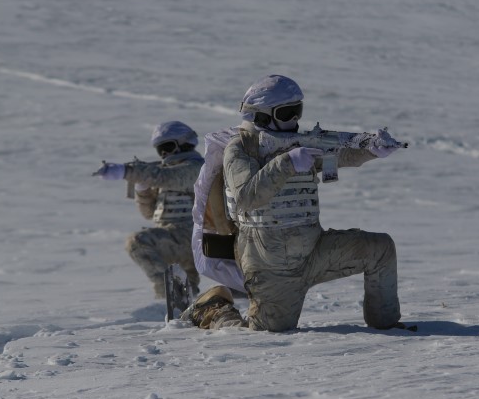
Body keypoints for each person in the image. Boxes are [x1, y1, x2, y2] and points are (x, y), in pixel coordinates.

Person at [182, 75, 404, 332]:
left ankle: (387, 326)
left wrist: (370, 150)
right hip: (271, 264)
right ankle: (214, 307)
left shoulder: (297, 145)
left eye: (298, 111)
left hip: (314, 250)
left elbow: (337, 155)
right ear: (262, 116)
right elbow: (245, 197)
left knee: (380, 249)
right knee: (262, 333)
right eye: (288, 113)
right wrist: (286, 163)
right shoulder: (241, 148)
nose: (295, 121)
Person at [93, 121, 204, 299]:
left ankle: (167, 292)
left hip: (193, 235)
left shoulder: (197, 168)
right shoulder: (164, 174)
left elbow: (168, 177)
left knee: (138, 242)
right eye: (161, 150)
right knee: (188, 295)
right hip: (173, 238)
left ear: (184, 143)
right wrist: (142, 190)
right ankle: (182, 308)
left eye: (168, 147)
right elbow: (149, 214)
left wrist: (126, 171)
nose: (165, 154)